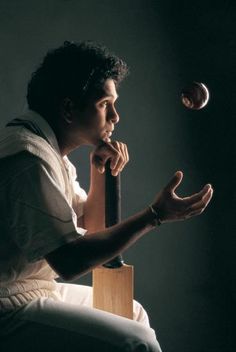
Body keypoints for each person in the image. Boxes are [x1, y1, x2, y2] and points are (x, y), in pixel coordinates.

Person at [0, 41, 213, 352]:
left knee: (132, 313)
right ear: (69, 108)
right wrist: (154, 216)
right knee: (135, 342)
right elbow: (70, 260)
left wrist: (100, 170)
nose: (115, 117)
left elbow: (95, 233)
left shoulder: (47, 151)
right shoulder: (28, 158)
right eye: (105, 104)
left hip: (32, 291)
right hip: (6, 305)